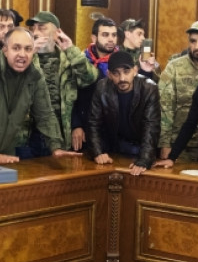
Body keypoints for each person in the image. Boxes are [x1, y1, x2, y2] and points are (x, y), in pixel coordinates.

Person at [0, 27, 81, 164]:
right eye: (16, 48)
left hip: (6, 155)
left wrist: (55, 146)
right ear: (5, 50)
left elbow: (45, 115)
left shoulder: (35, 76)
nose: (22, 54)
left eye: (28, 49)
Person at [26, 11, 98, 155]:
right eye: (33, 29)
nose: (35, 33)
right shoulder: (25, 58)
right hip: (30, 132)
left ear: (57, 32)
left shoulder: (68, 59)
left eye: (42, 28)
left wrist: (71, 50)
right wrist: (29, 53)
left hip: (62, 131)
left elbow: (89, 79)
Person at [87, 50, 160, 176]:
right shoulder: (102, 87)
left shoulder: (149, 88)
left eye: (126, 72)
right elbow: (93, 123)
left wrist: (144, 160)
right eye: (116, 73)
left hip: (139, 146)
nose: (122, 78)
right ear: (109, 74)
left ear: (135, 70)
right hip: (112, 147)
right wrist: (97, 153)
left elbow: (151, 126)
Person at [158, 19, 198, 163]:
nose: (197, 46)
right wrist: (165, 143)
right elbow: (165, 108)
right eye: (193, 41)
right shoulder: (174, 67)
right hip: (180, 147)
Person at [72, 17, 120, 151]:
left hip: (113, 130)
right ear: (94, 38)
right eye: (105, 35)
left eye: (114, 35)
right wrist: (76, 125)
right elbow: (71, 95)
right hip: (84, 129)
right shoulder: (81, 61)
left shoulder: (122, 61)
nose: (111, 39)